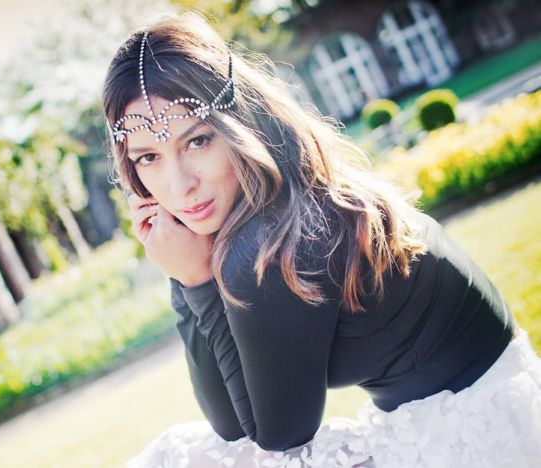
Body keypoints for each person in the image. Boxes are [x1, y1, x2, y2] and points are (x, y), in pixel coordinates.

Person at [102, 13, 541, 468]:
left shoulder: (275, 241)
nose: (179, 185)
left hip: (482, 445)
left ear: (240, 125)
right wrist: (185, 275)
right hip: (486, 419)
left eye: (197, 142)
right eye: (148, 157)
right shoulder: (289, 205)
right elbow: (232, 424)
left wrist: (195, 282)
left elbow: (276, 437)